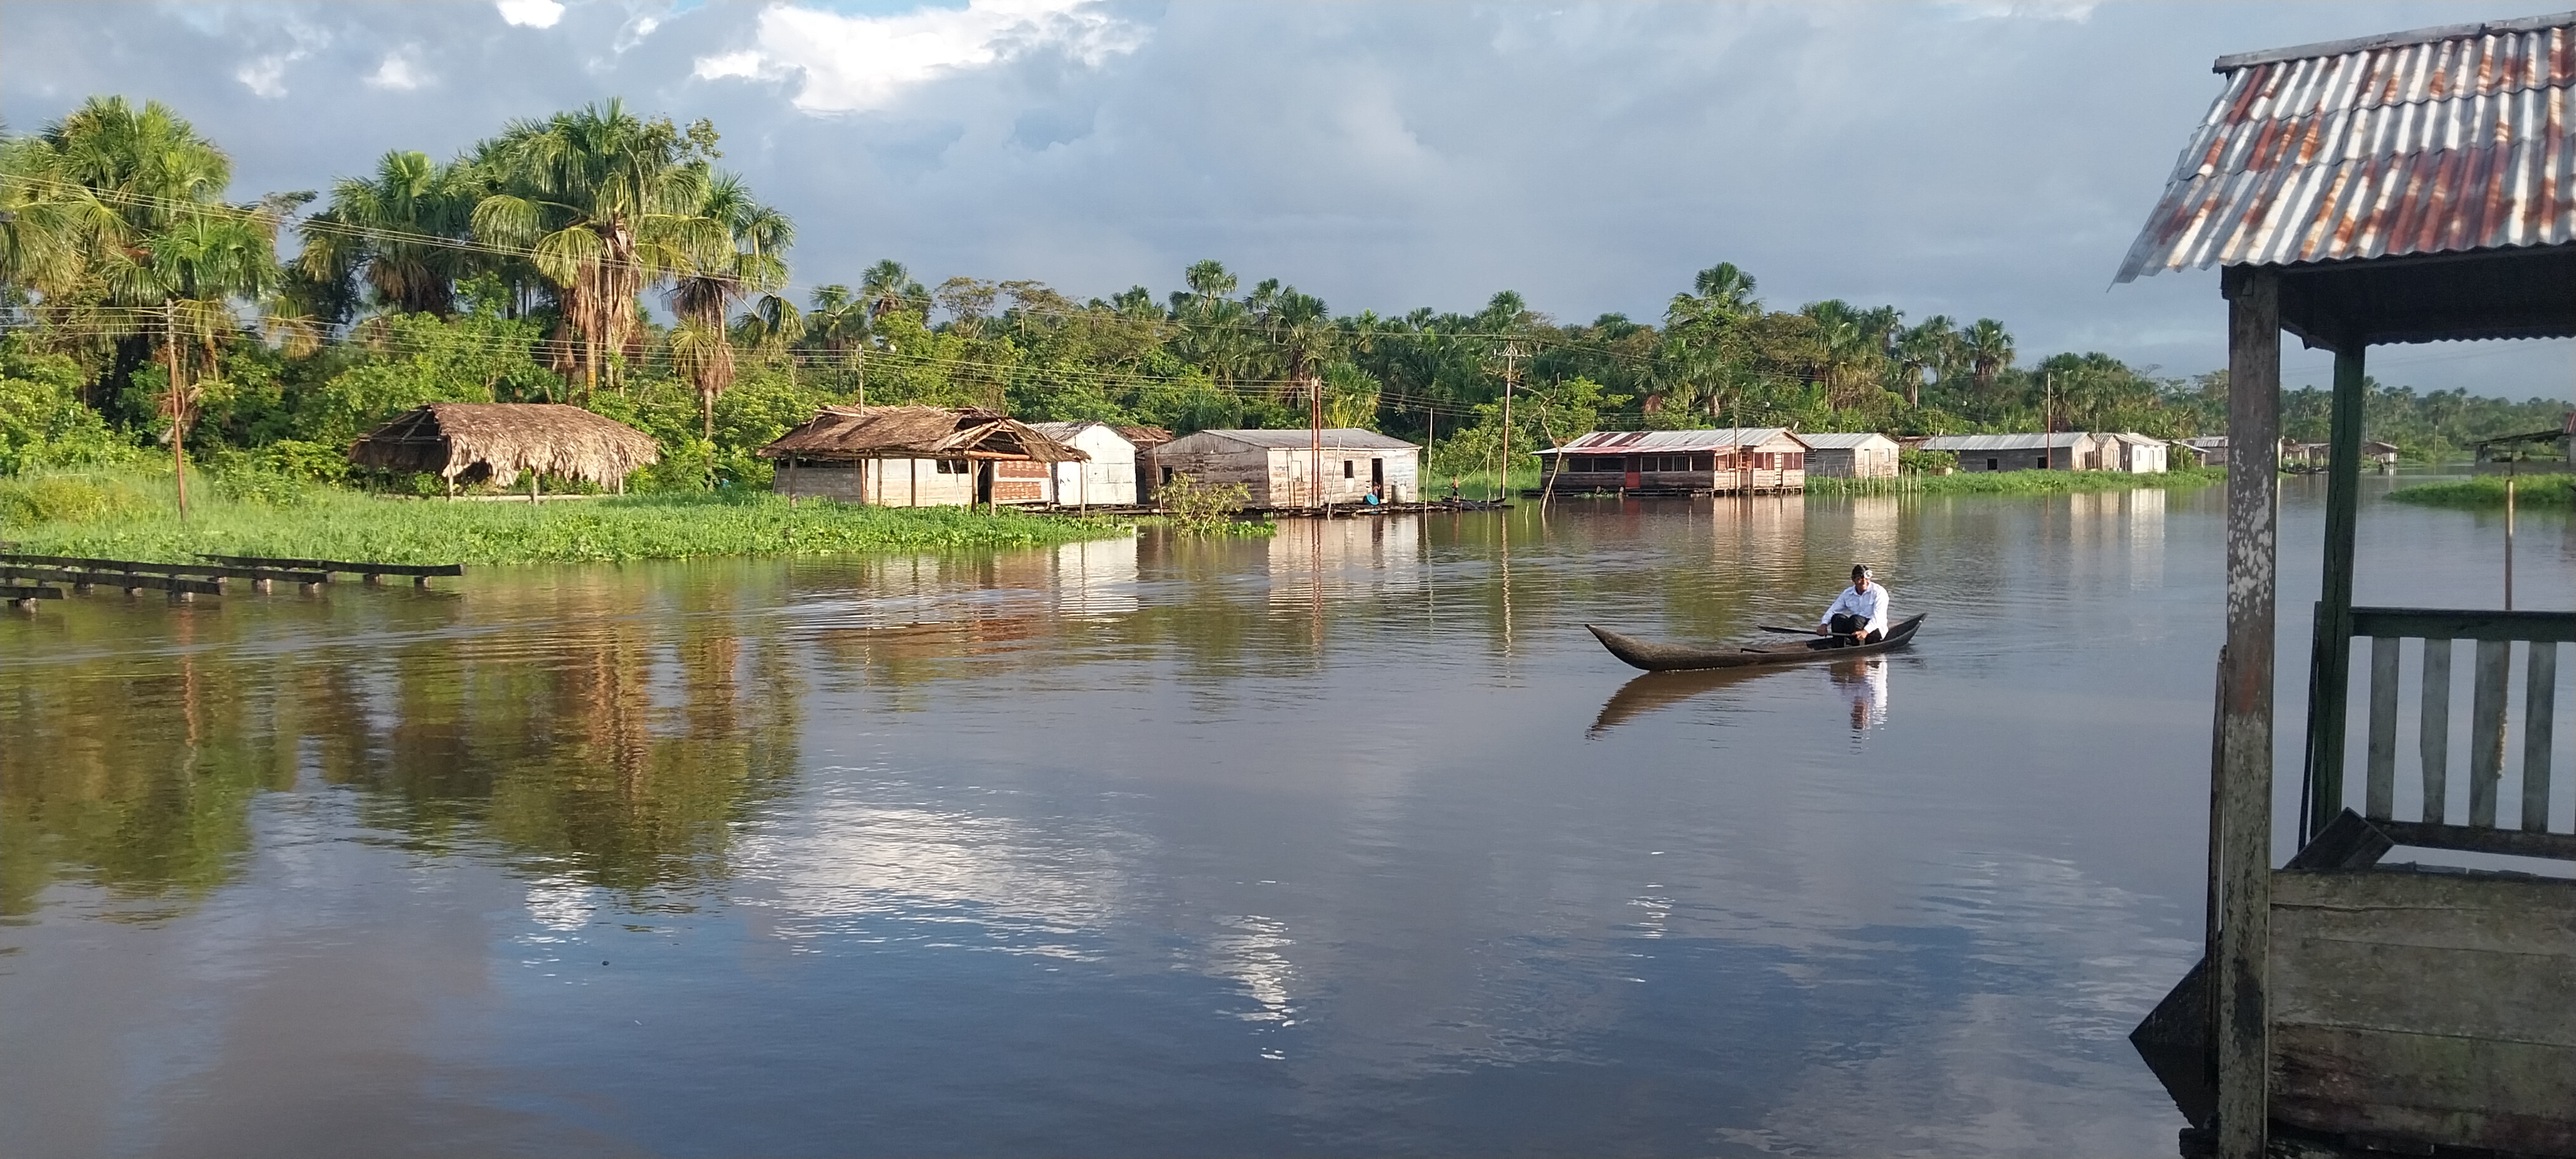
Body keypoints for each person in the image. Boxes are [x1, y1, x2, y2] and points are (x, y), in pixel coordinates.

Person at [1816, 564, 1888, 646]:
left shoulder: (1879, 592)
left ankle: (1858, 649)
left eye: (1867, 579)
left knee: (1855, 619)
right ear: (1853, 580)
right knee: (1837, 618)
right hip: (1856, 629)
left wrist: (1866, 631)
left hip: (1874, 631)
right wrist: (1824, 624)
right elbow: (1833, 610)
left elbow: (1878, 618)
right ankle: (1838, 647)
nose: (1864, 582)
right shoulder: (1848, 593)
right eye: (1860, 579)